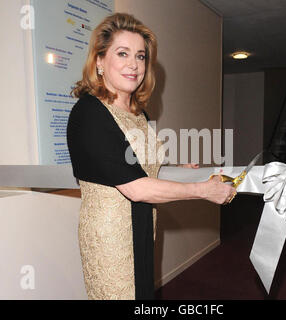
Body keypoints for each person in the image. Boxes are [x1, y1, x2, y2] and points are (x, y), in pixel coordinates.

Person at [66, 12, 236, 300]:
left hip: (142, 226)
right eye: (123, 53)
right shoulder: (89, 113)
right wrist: (202, 191)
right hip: (110, 236)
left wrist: (178, 170)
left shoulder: (139, 114)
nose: (134, 64)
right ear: (99, 61)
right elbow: (134, 186)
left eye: (141, 56)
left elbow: (138, 166)